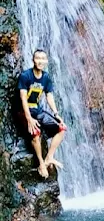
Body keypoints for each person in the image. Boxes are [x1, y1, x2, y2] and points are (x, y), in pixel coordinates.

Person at [14, 49, 66, 178]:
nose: (40, 61)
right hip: (23, 111)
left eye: (43, 59)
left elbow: (49, 96)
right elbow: (23, 98)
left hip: (38, 110)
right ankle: (41, 163)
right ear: (33, 60)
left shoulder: (46, 77)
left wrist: (56, 113)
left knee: (62, 128)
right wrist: (29, 118)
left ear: (46, 61)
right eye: (38, 58)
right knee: (35, 132)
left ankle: (49, 157)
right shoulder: (26, 76)